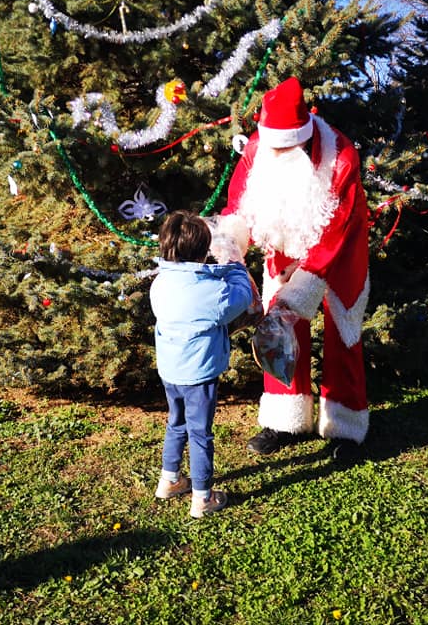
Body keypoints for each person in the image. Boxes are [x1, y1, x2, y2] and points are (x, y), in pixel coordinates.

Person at [219, 76, 371, 457]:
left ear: (304, 139)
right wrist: (228, 249)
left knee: (344, 333)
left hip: (340, 253)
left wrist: (302, 282)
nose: (276, 154)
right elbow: (239, 207)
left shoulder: (342, 157)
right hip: (284, 246)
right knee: (278, 327)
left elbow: (336, 230)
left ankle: (345, 427)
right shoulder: (258, 147)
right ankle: (284, 421)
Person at [150, 210, 254, 518]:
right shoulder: (212, 292)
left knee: (176, 422)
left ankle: (169, 480)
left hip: (170, 370)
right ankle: (203, 498)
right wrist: (234, 266)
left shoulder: (162, 282)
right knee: (199, 432)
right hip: (199, 373)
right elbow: (242, 297)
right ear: (203, 251)